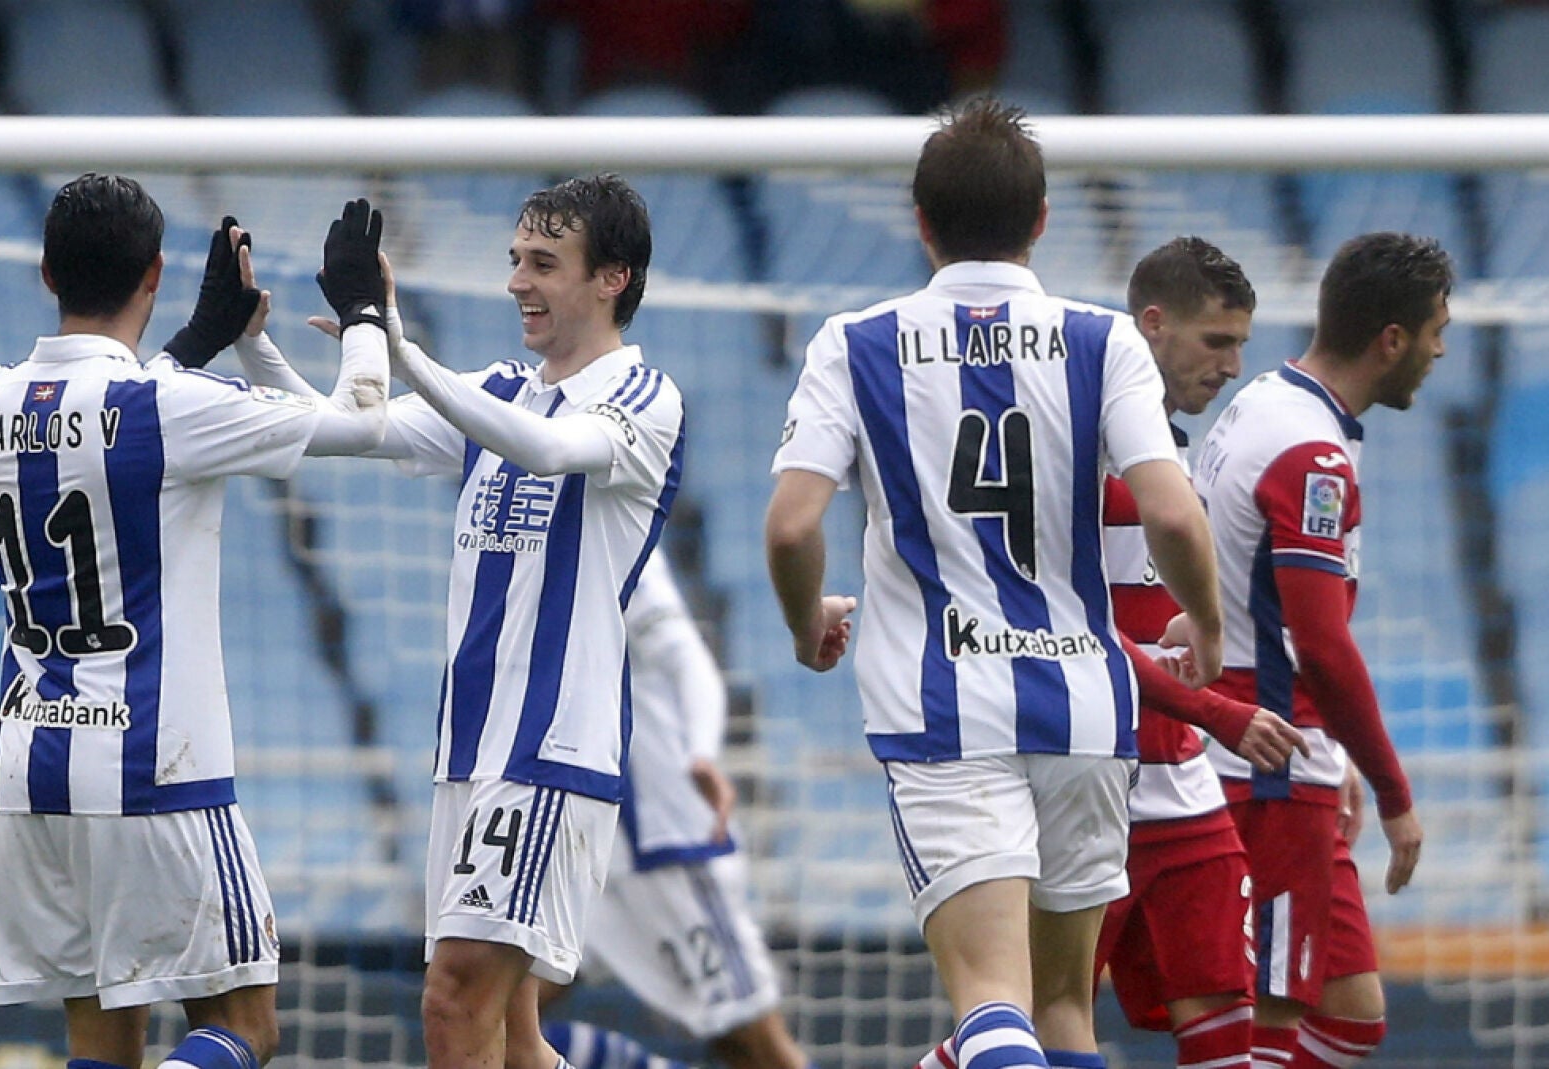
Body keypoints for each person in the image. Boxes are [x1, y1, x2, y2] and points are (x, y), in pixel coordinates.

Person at [764, 97, 1225, 1069]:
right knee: (1063, 1010)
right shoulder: (1105, 341)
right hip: (1084, 710)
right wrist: (1208, 626)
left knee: (989, 1001)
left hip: (944, 709)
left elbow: (793, 523)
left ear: (921, 222)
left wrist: (808, 624)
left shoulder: (857, 343)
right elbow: (1173, 513)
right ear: (1042, 218)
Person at [256, 173, 683, 1069]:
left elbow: (553, 449)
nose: (517, 282)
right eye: (515, 260)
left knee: (454, 1002)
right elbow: (346, 430)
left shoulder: (643, 397)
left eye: (543, 263)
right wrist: (252, 348)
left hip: (549, 749)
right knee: (513, 1037)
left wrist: (401, 349)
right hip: (473, 751)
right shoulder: (499, 388)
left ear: (613, 278)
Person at [0, 174, 390, 1069]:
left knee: (102, 1037)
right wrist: (361, 312)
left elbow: (112, 414)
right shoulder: (164, 409)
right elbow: (358, 421)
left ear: (46, 273)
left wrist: (194, 342)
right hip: (153, 766)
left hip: (31, 772)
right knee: (245, 1026)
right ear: (154, 273)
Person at [1190, 231, 1444, 1069]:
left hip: (1279, 753)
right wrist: (1392, 787)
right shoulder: (1312, 456)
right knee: (1269, 1022)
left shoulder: (1267, 399)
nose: (1443, 349)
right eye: (1437, 329)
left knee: (1353, 1016)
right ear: (1392, 340)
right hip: (1267, 764)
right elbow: (1322, 644)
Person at [1094, 237, 1308, 1069]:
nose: (1232, 366)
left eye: (1241, 345)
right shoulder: (1078, 452)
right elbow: (1072, 631)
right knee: (1036, 1024)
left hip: (1180, 785)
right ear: (1153, 324)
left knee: (1225, 1011)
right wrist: (1218, 711)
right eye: (1217, 342)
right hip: (1087, 783)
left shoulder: (1177, 457)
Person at [539, 553, 809, 1069]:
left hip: (661, 840)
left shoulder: (617, 535)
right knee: (492, 1013)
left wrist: (701, 753)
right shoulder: (522, 538)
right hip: (577, 842)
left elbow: (687, 658)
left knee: (753, 1044)